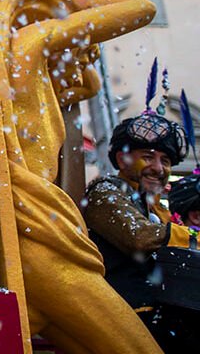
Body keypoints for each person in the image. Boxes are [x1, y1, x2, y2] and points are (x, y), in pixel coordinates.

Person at [82, 84, 200, 351]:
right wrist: (192, 236)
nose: (159, 168)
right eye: (147, 157)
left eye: (166, 160)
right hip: (125, 317)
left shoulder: (157, 208)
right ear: (122, 159)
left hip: (163, 316)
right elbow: (138, 236)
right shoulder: (105, 192)